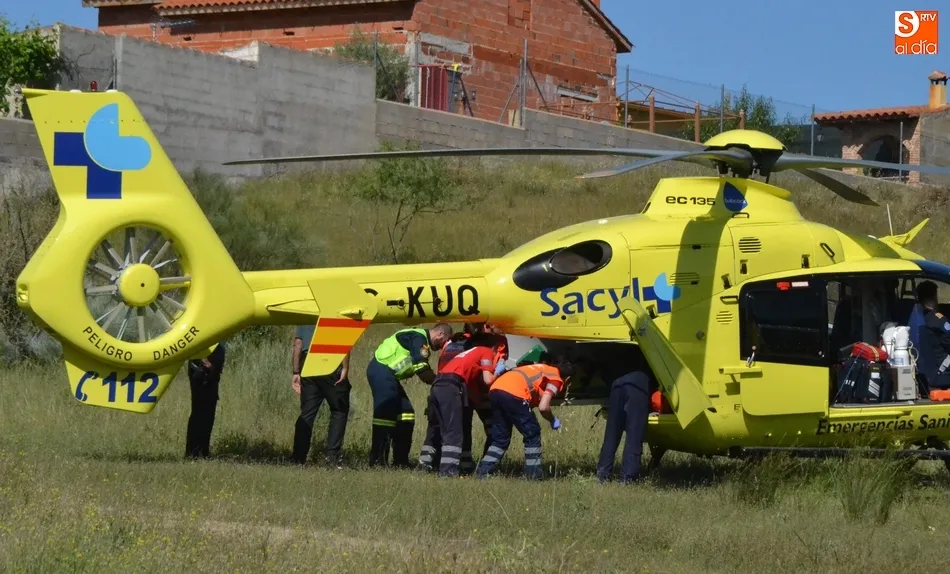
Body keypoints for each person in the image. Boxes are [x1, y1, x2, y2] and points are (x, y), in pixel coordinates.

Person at [419, 322, 508, 473]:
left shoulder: (458, 348)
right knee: (455, 432)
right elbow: (487, 380)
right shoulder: (485, 351)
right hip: (453, 386)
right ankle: (448, 472)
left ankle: (430, 466)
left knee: (443, 428)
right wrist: (498, 371)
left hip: (439, 384)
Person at [366, 323, 453, 468]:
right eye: (444, 342)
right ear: (440, 335)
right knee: (385, 418)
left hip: (390, 377)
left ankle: (400, 461)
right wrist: (443, 382)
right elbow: (422, 370)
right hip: (381, 371)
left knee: (407, 414)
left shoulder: (420, 339)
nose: (440, 347)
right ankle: (377, 462)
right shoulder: (418, 338)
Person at [474, 359, 573, 480]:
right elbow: (543, 407)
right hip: (514, 393)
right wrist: (553, 420)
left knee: (500, 438)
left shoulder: (540, 368)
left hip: (496, 390)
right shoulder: (556, 378)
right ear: (567, 379)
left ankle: (483, 472)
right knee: (532, 432)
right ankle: (533, 474)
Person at [290, 324, 351, 468]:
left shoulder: (306, 313)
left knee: (307, 413)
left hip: (308, 361)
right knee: (339, 410)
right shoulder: (334, 311)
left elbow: (298, 344)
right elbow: (344, 340)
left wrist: (295, 371)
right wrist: (345, 367)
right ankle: (332, 457)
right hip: (330, 358)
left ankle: (298, 457)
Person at [595, 371, 652, 484]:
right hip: (638, 387)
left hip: (617, 385)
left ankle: (603, 474)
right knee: (634, 435)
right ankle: (628, 478)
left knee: (611, 434)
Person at [185, 342, 227, 459]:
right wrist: (204, 362)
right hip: (202, 374)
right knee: (199, 414)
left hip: (211, 377)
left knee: (208, 416)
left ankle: (203, 451)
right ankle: (193, 452)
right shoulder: (202, 332)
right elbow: (195, 347)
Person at [916, 280, 950, 390]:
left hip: (931, 367)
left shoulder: (920, 316)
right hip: (942, 369)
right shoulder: (939, 321)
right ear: (934, 297)